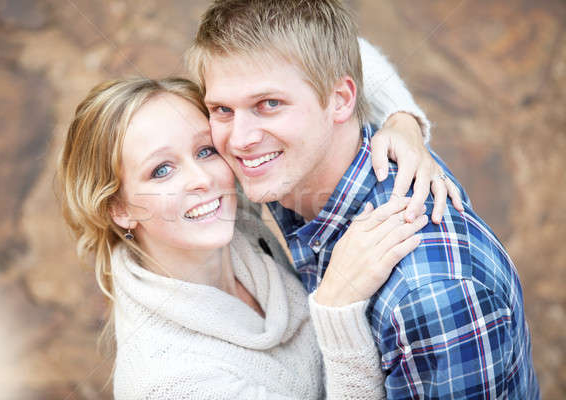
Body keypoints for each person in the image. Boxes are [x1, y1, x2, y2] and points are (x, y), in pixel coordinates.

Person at [188, 0, 540, 398]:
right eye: (221, 109)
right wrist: (403, 115)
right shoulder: (297, 173)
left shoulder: (428, 293)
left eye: (269, 104)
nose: (240, 139)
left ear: (341, 100)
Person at [57, 77, 430, 399]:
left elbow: (327, 57)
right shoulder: (169, 382)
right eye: (162, 170)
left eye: (205, 150)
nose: (203, 179)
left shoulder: (233, 220)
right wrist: (336, 306)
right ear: (118, 209)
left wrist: (403, 122)